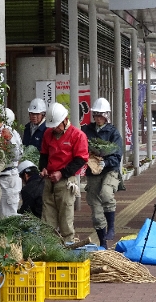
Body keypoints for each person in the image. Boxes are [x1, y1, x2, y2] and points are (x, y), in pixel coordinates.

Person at [39, 102, 89, 243]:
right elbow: (44, 154)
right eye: (53, 126)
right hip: (49, 181)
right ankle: (49, 246)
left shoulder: (77, 135)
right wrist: (43, 168)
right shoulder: (48, 133)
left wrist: (62, 173)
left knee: (66, 218)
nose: (55, 129)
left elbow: (80, 159)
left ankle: (68, 244)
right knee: (47, 219)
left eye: (57, 125)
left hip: (66, 181)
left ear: (65, 120)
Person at [81, 97, 122, 248]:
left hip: (110, 170)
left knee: (106, 193)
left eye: (101, 115)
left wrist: (106, 162)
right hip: (93, 172)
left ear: (106, 115)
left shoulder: (113, 132)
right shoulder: (86, 130)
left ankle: (111, 226)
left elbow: (117, 155)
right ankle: (103, 242)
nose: (98, 118)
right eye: (96, 115)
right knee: (96, 212)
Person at [0, 107, 23, 218]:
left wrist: (8, 140)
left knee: (8, 217)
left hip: (8, 178)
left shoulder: (9, 132)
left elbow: (17, 155)